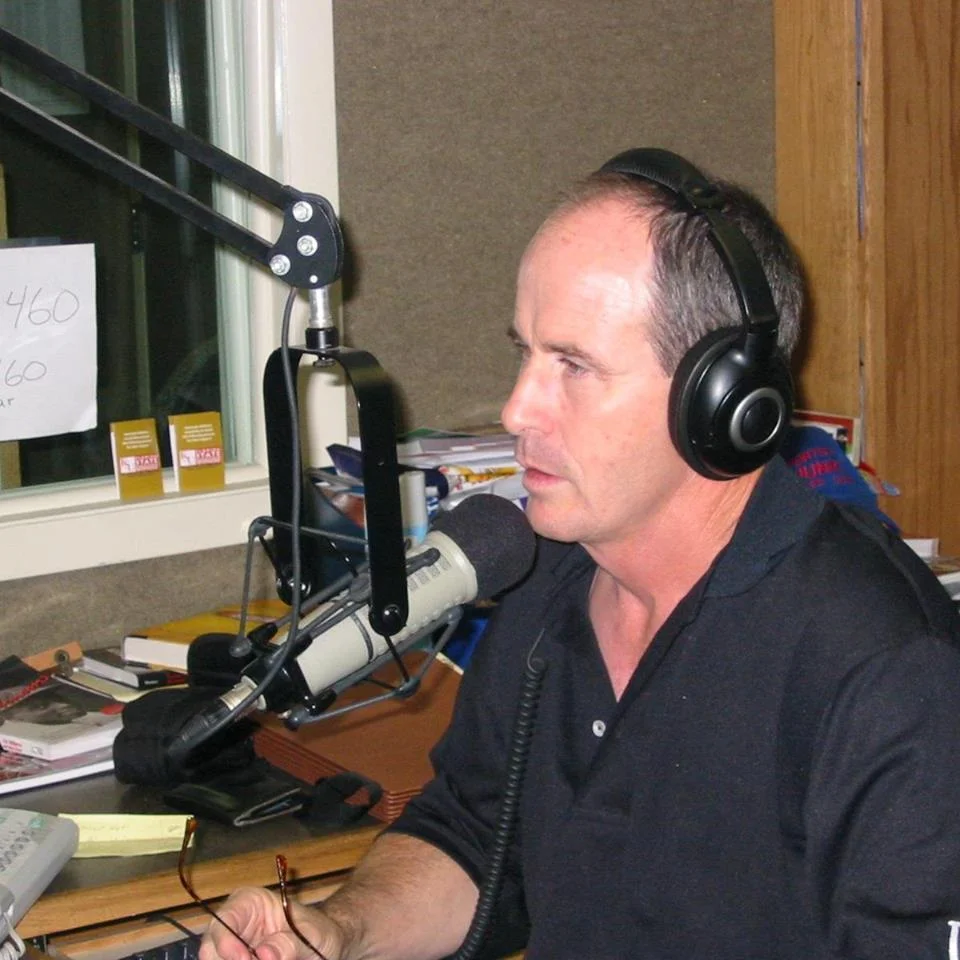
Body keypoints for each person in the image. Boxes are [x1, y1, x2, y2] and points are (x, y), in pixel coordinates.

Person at [200, 150, 960, 960]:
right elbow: (474, 835)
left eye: (573, 365)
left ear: (721, 402)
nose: (517, 408)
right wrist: (334, 932)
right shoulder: (549, 577)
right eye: (524, 353)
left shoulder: (883, 668)